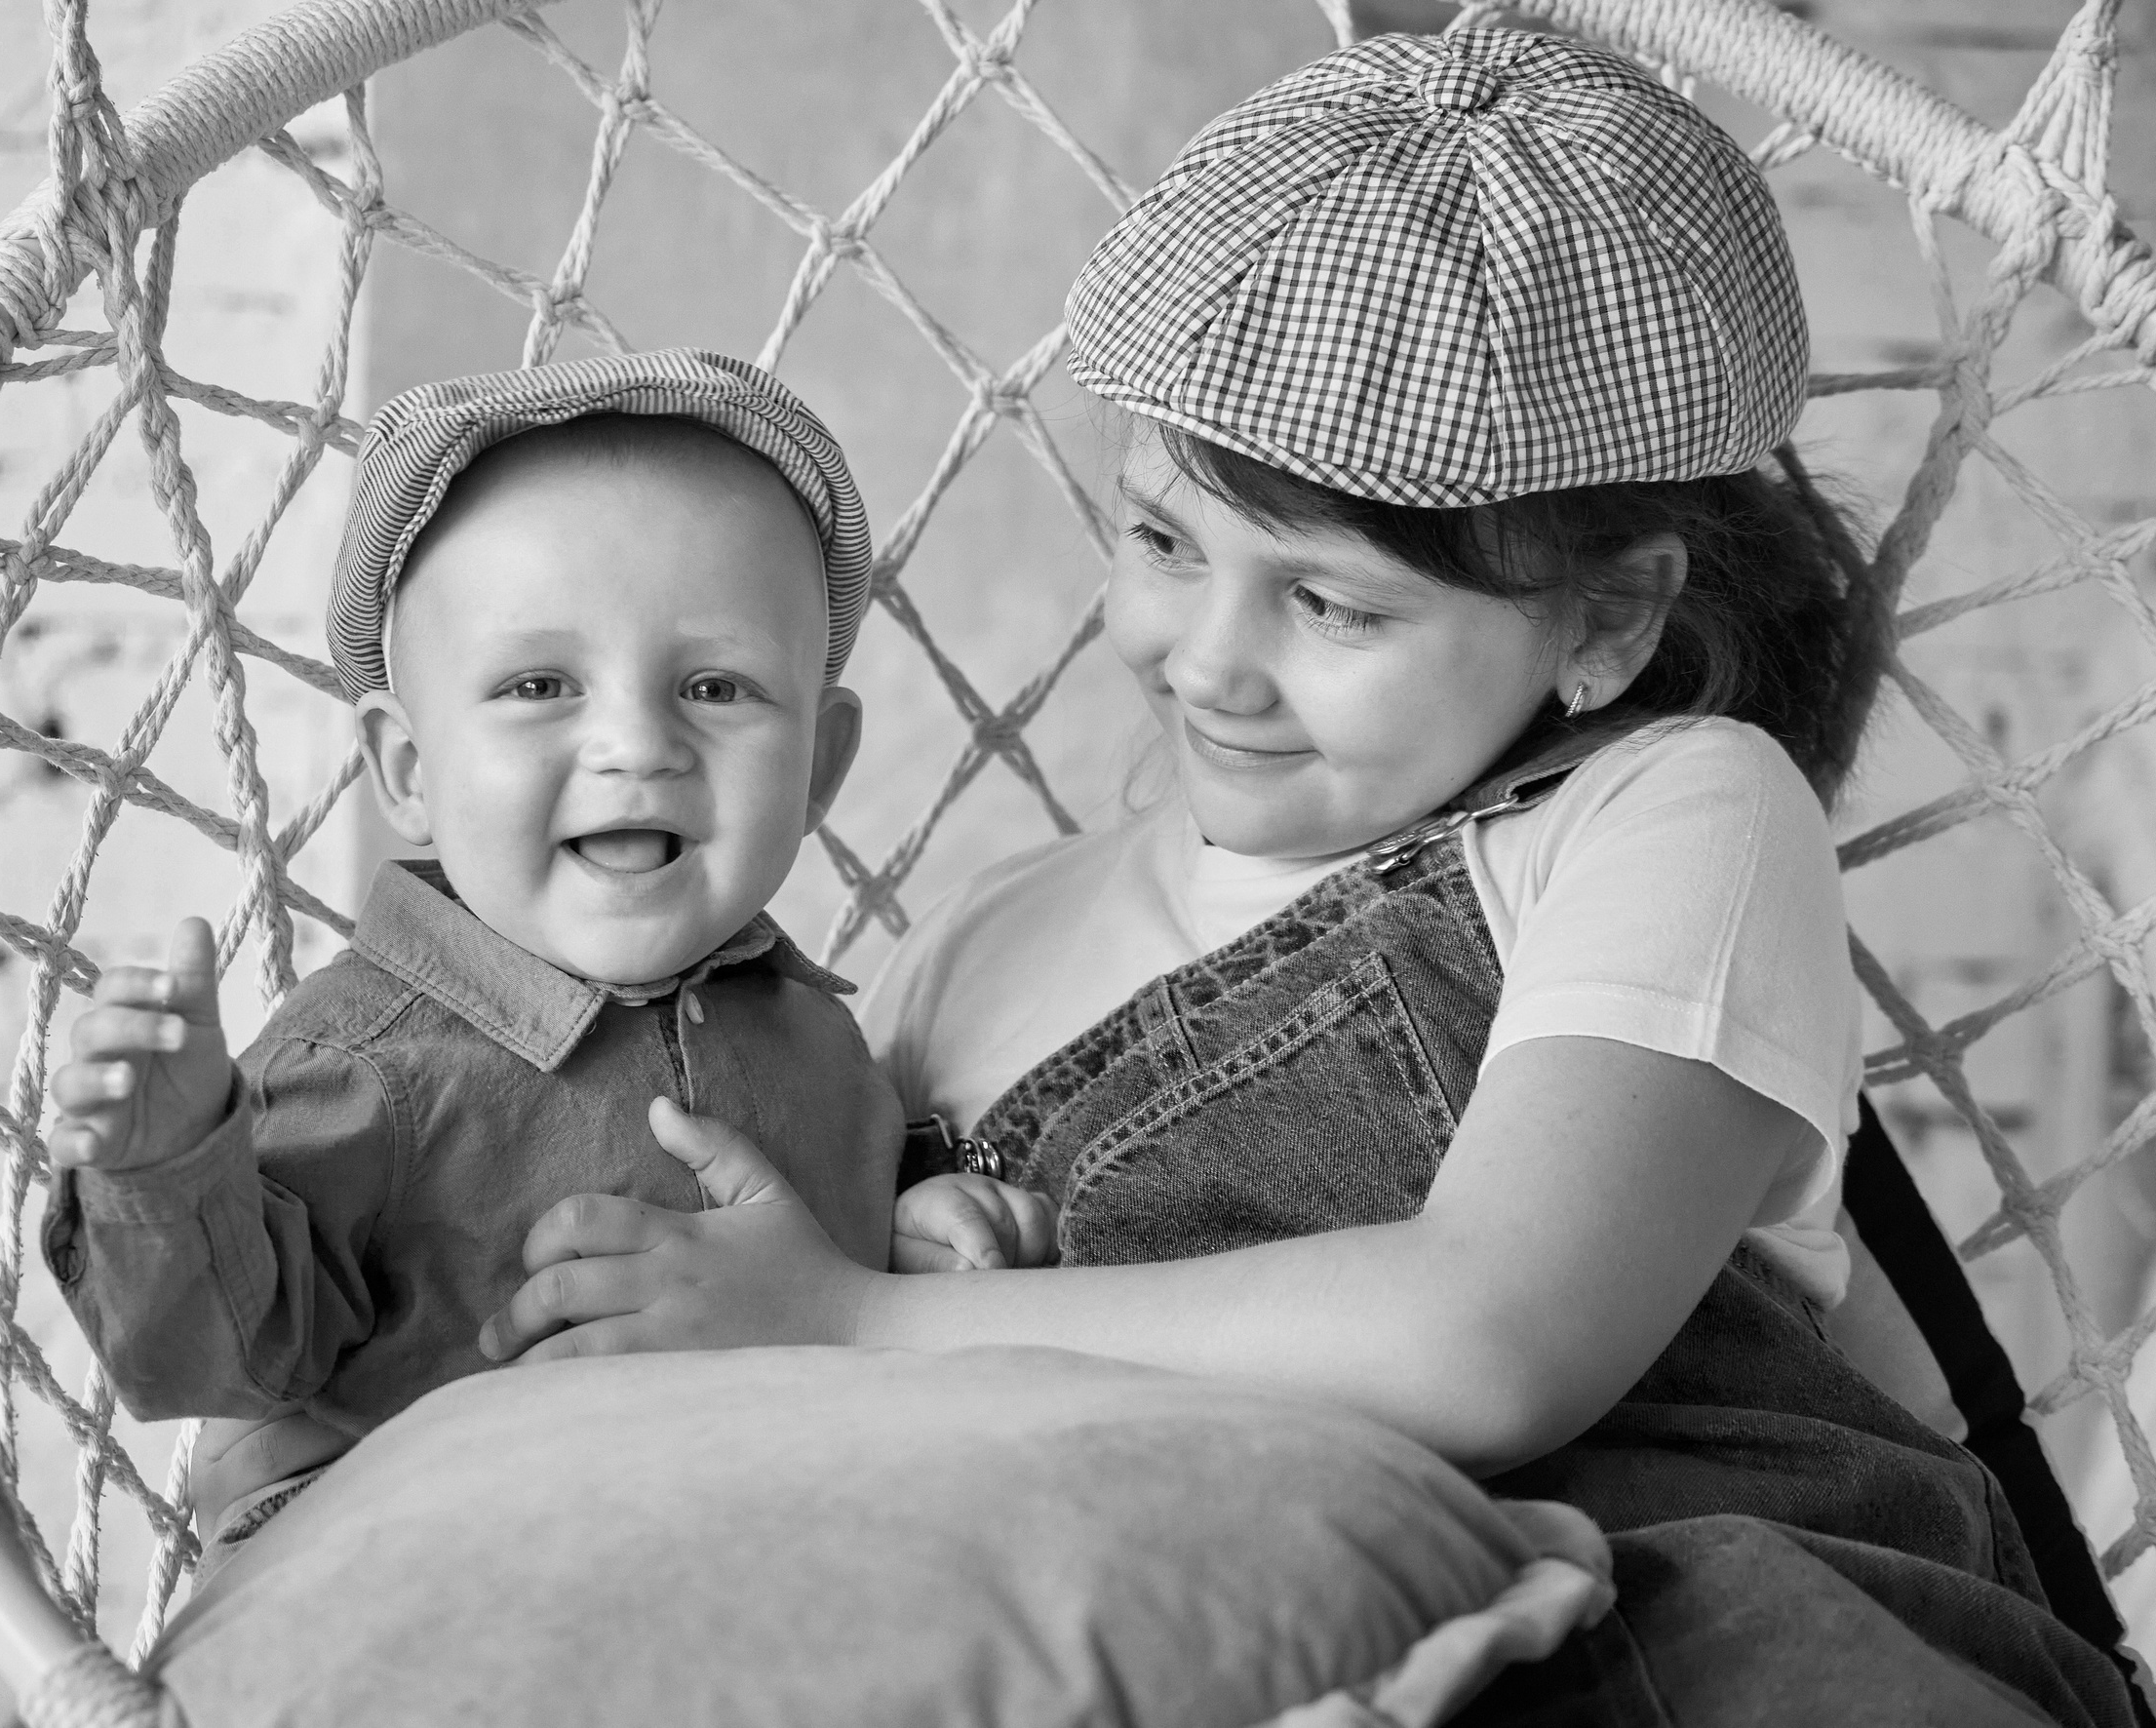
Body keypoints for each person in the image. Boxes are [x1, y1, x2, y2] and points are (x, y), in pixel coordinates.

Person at [470, 35, 2138, 1728]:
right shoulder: (980, 943)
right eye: (1164, 540)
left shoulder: (1667, 816)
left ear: (1612, 619)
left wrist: (848, 1328)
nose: (1210, 664)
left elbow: (1493, 1337)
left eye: (1334, 607)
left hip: (1694, 1648)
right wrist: (923, 1266)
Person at [38, 350, 1025, 1567]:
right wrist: (169, 1160)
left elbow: (846, 1289)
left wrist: (931, 1225)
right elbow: (208, 1362)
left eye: (715, 685)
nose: (633, 743)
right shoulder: (367, 1068)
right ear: (407, 770)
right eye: (539, 684)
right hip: (439, 1582)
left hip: (784, 1557)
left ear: (818, 767)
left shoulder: (815, 1033)